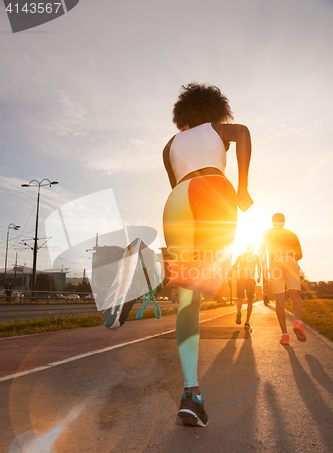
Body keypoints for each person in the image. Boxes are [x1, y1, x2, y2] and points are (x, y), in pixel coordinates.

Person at [103, 83, 253, 427]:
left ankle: (191, 393)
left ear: (182, 114)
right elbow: (242, 132)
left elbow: (176, 185)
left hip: (177, 201)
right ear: (214, 109)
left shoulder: (169, 145)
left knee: (189, 297)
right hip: (213, 189)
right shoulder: (215, 128)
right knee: (213, 278)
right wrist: (242, 185)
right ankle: (153, 268)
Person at [260, 213, 306, 345]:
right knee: (294, 293)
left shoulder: (266, 234)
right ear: (284, 222)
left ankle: (285, 335)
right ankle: (297, 321)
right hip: (290, 260)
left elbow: (262, 253)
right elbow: (300, 255)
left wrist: (264, 270)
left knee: (279, 298)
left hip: (275, 263)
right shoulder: (292, 234)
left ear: (272, 222)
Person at [233, 244, 261, 330]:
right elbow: (259, 267)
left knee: (240, 298)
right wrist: (259, 277)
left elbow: (234, 267)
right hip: (250, 280)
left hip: (241, 279)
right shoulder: (256, 257)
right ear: (253, 249)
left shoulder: (241, 256)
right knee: (250, 301)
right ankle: (247, 322)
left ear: (247, 248)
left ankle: (238, 311)